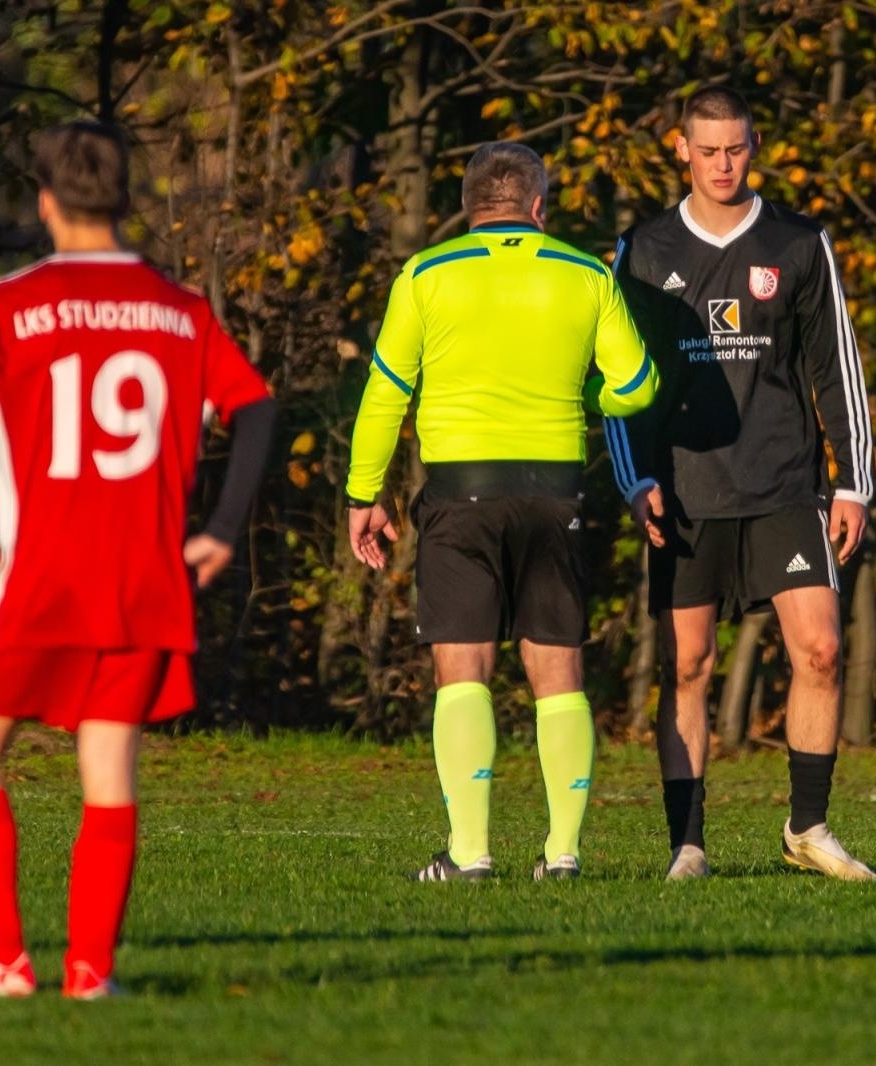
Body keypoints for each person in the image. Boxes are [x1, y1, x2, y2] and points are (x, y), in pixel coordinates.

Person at [0, 120, 277, 999]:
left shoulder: (8, 303)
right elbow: (255, 410)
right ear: (126, 200)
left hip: (41, 575)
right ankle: (89, 973)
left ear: (47, 203)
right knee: (108, 772)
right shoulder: (179, 309)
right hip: (144, 578)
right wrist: (217, 529)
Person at [346, 141, 658, 883]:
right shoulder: (587, 274)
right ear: (539, 207)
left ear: (467, 208)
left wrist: (366, 493)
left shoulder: (425, 274)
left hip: (461, 492)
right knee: (558, 670)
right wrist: (584, 402)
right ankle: (563, 853)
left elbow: (386, 393)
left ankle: (470, 853)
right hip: (554, 490)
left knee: (464, 670)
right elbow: (639, 384)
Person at [605, 86, 876, 882]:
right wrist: (638, 479)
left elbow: (838, 369)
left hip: (787, 484)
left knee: (821, 649)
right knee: (688, 665)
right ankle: (687, 845)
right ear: (679, 148)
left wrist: (853, 482)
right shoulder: (644, 250)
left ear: (755, 147)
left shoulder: (799, 243)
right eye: (708, 150)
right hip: (688, 495)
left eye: (737, 149)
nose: (724, 165)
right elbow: (620, 382)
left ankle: (808, 827)